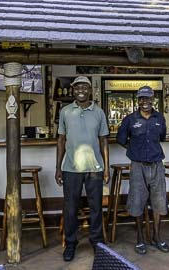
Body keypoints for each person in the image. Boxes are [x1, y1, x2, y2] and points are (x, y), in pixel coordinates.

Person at [55, 76, 110, 262]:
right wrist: (58, 167)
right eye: (77, 87)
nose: (80, 90)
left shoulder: (99, 113)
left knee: (96, 207)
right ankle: (71, 243)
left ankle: (97, 242)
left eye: (84, 87)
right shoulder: (65, 112)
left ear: (90, 90)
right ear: (73, 90)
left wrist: (106, 168)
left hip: (95, 167)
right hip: (71, 168)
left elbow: (104, 141)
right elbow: (61, 140)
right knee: (70, 208)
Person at [116, 85, 169, 255]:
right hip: (138, 165)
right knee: (137, 201)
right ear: (137, 100)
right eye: (141, 98)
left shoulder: (160, 118)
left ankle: (157, 236)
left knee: (159, 202)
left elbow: (162, 137)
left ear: (153, 99)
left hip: (157, 164)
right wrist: (133, 149)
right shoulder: (130, 119)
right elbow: (120, 139)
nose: (144, 101)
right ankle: (140, 238)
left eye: (147, 98)